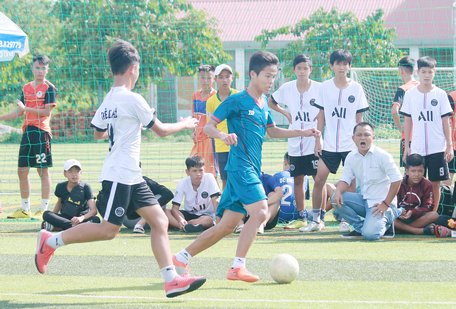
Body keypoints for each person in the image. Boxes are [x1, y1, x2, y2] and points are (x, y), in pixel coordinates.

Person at [34, 40, 206, 298]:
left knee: (160, 221)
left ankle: (171, 280)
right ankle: (50, 241)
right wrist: (185, 123)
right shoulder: (132, 98)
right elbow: (159, 131)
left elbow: (98, 133)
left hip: (131, 174)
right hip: (119, 174)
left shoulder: (110, 98)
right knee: (108, 230)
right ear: (133, 69)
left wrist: (123, 128)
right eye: (138, 70)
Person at [173, 51, 320, 283]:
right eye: (267, 76)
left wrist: (302, 132)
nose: (271, 81)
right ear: (253, 74)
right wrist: (224, 135)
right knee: (261, 212)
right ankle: (237, 267)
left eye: (274, 77)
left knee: (226, 226)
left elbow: (272, 131)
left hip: (249, 168)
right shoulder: (236, 100)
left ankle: (181, 258)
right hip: (241, 168)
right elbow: (208, 127)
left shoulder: (263, 104)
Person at [304, 49, 369, 233]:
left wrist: (360, 141)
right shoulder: (324, 87)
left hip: (350, 145)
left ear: (349, 66)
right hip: (330, 144)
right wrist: (318, 140)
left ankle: (349, 220)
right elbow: (321, 116)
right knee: (319, 179)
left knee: (352, 184)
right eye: (338, 63)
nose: (341, 67)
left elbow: (359, 118)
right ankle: (316, 219)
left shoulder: (356, 88)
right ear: (332, 65)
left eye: (345, 63)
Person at [0, 55, 57, 219]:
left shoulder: (49, 88)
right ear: (32, 69)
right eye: (37, 68)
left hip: (41, 132)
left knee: (42, 171)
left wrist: (27, 109)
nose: (40, 71)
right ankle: (25, 209)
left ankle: (44, 209)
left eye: (43, 68)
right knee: (22, 171)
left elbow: (47, 112)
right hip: (27, 132)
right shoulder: (26, 88)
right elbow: (18, 112)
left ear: (47, 70)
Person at [268, 54, 321, 229]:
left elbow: (327, 108)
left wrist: (320, 133)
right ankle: (301, 217)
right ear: (294, 70)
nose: (302, 71)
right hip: (294, 140)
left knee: (318, 178)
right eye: (299, 68)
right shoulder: (287, 88)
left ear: (310, 70)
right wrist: (286, 113)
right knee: (298, 179)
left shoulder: (319, 89)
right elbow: (271, 102)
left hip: (313, 140)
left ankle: (318, 217)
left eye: (306, 68)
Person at [332, 122, 403, 240]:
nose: (363, 138)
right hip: (364, 200)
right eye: (359, 135)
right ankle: (360, 227)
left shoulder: (383, 156)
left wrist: (385, 204)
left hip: (381, 203)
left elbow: (397, 180)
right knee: (335, 198)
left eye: (367, 135)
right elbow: (345, 180)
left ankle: (389, 216)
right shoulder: (351, 157)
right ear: (353, 138)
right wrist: (338, 191)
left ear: (373, 138)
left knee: (371, 235)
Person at [400, 56, 453, 211]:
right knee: (416, 180)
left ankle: (433, 214)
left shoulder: (441, 94)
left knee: (435, 182)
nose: (427, 75)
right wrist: (407, 147)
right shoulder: (410, 94)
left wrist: (449, 146)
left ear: (434, 72)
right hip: (417, 147)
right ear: (418, 72)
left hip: (437, 147)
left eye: (430, 72)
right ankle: (415, 210)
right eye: (424, 71)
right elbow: (408, 121)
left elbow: (446, 122)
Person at [41, 159, 100, 231]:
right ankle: (74, 227)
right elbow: (59, 203)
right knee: (46, 214)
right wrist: (54, 217)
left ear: (81, 172)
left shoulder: (86, 187)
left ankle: (61, 227)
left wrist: (81, 218)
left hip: (80, 218)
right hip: (64, 217)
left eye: (77, 171)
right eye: (70, 171)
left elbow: (93, 211)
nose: (74, 174)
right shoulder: (60, 186)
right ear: (65, 173)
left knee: (96, 220)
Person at [206, 64, 238, 189]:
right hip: (221, 146)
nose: (225, 80)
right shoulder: (211, 102)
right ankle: (227, 207)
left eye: (227, 77)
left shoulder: (239, 96)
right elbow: (209, 127)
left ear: (232, 78)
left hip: (238, 144)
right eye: (221, 77)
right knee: (225, 179)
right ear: (215, 79)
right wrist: (221, 136)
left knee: (240, 178)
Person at [170, 156, 221, 233]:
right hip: (189, 213)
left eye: (201, 170)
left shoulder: (209, 178)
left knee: (208, 220)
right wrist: (181, 219)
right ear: (187, 172)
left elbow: (216, 201)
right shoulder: (182, 182)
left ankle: (186, 225)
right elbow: (175, 208)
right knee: (166, 212)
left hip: (206, 215)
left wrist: (218, 222)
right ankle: (185, 225)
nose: (198, 174)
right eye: (194, 171)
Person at [394, 154, 439, 235]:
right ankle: (417, 231)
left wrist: (413, 211)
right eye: (413, 171)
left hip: (416, 218)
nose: (416, 174)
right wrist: (399, 212)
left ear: (424, 171)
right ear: (407, 171)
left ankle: (402, 229)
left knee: (434, 215)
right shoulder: (398, 183)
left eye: (420, 171)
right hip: (399, 218)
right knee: (389, 218)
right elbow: (392, 203)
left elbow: (428, 207)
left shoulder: (427, 184)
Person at [391, 56, 419, 168]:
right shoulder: (422, 87)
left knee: (409, 172)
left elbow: (394, 111)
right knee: (422, 171)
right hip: (423, 136)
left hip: (409, 137)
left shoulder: (403, 89)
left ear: (401, 71)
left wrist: (401, 128)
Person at [190, 64, 217, 176]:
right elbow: (194, 116)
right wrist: (193, 131)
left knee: (209, 172)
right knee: (193, 167)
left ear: (214, 79)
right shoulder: (195, 95)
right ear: (198, 78)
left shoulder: (215, 96)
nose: (205, 81)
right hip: (198, 139)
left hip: (209, 139)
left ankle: (214, 194)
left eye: (209, 78)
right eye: (202, 78)